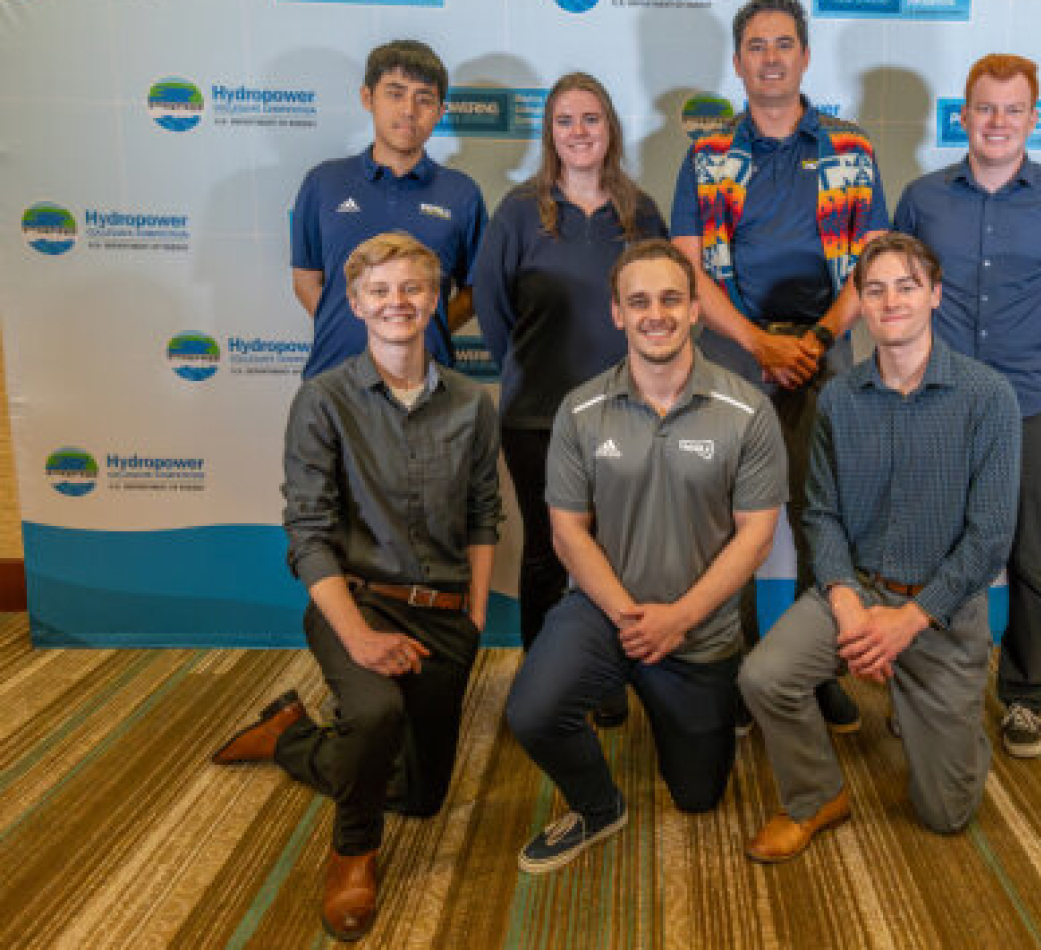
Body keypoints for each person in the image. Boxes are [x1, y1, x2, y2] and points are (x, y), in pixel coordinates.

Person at [211, 232, 501, 941]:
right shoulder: (323, 400)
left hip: (443, 612)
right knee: (373, 715)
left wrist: (474, 617)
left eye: (412, 289)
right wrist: (362, 638)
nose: (397, 302)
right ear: (355, 301)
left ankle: (289, 736)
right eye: (381, 290)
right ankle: (352, 852)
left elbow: (482, 515)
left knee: (423, 795)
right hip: (357, 601)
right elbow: (308, 534)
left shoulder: (472, 403)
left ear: (436, 300)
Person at [506, 238, 787, 873]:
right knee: (532, 711)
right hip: (606, 611)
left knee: (697, 797)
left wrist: (680, 617)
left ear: (694, 310)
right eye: (639, 301)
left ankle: (708, 710)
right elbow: (568, 535)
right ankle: (598, 805)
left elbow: (756, 537)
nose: (654, 313)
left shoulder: (749, 410)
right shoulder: (580, 410)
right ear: (617, 313)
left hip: (701, 627)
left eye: (670, 298)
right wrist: (633, 617)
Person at [738, 233, 1020, 861]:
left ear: (936, 295)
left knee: (946, 814)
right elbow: (821, 513)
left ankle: (939, 713)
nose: (891, 301)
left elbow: (991, 537)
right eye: (875, 289)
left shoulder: (987, 398)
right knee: (765, 675)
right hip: (857, 589)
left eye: (907, 285)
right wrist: (847, 605)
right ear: (860, 304)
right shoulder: (840, 397)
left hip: (940, 612)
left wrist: (910, 621)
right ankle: (816, 797)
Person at [670, 0, 889, 732]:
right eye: (756, 46)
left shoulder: (851, 150)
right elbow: (689, 269)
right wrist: (757, 343)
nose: (770, 57)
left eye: (783, 44)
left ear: (804, 55)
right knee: (730, 519)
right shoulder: (706, 156)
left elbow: (872, 263)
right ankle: (733, 668)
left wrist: (817, 341)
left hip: (824, 357)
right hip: (732, 355)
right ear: (737, 62)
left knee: (817, 513)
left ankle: (813, 665)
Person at [893, 53, 1041, 758]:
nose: (997, 121)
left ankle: (1022, 697)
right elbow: (898, 290)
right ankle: (923, 686)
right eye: (985, 107)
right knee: (927, 555)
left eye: (1013, 109)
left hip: (1027, 408)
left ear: (1033, 119)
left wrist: (1034, 357)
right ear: (964, 115)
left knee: (1030, 559)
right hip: (937, 409)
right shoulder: (923, 198)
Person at [473, 73, 667, 686]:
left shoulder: (641, 211)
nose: (579, 132)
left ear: (609, 128)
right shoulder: (519, 211)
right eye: (565, 121)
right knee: (548, 550)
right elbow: (491, 304)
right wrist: (529, 366)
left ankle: (606, 675)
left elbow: (662, 308)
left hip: (626, 413)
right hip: (537, 416)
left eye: (591, 119)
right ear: (549, 133)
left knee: (614, 552)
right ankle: (546, 679)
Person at [292, 39, 487, 379]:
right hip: (335, 379)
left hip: (427, 382)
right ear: (368, 98)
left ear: (440, 112)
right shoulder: (323, 183)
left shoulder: (462, 193)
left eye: (423, 99)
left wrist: (418, 324)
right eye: (395, 94)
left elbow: (475, 292)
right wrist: (369, 321)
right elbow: (306, 281)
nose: (409, 110)